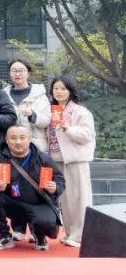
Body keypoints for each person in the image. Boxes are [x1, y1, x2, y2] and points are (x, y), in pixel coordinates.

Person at [0, 125, 65, 251]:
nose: (18, 142)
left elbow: (60, 180)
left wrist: (54, 188)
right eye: (13, 138)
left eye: (22, 138)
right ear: (7, 140)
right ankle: (5, 236)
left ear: (29, 139)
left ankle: (39, 235)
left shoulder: (43, 158)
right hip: (13, 204)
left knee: (46, 223)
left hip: (38, 204)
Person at [47, 76, 95, 247]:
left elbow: (87, 135)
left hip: (75, 159)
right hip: (55, 160)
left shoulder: (80, 111)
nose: (59, 92)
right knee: (65, 200)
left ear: (70, 91)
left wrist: (68, 128)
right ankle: (70, 233)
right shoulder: (50, 110)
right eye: (55, 88)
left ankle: (81, 235)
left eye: (63, 88)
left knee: (79, 198)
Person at [5, 59, 51, 153]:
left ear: (28, 73)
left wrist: (32, 115)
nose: (17, 74)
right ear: (9, 73)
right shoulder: (3, 95)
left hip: (36, 148)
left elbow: (46, 120)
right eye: (14, 71)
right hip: (11, 148)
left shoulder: (39, 94)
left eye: (21, 71)